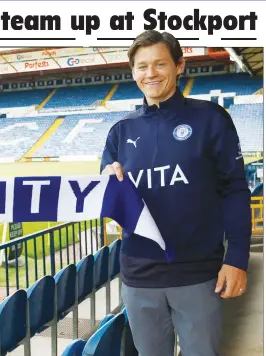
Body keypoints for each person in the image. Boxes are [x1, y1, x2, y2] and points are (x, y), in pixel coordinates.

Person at [101, 30, 251, 356]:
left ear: (179, 65)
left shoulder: (211, 119)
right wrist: (109, 182)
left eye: (159, 64)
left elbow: (235, 189)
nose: (150, 74)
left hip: (197, 274)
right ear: (133, 72)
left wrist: (237, 258)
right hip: (138, 277)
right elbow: (109, 196)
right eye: (142, 66)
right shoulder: (120, 131)